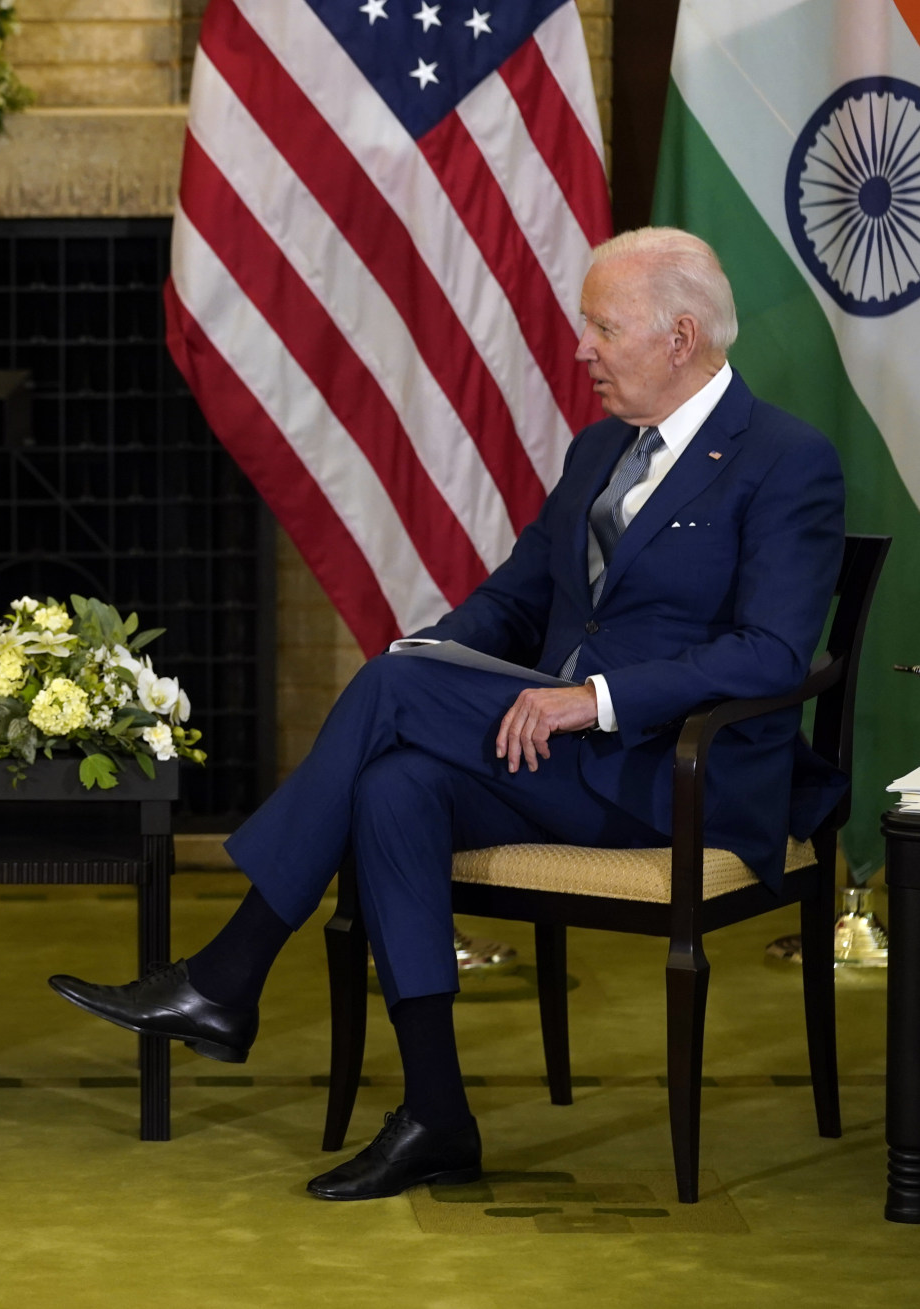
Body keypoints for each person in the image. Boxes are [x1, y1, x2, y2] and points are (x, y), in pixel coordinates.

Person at [49, 227, 847, 1200]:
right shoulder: (601, 449)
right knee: (395, 784)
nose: (580, 348)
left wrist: (589, 699)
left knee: (391, 696)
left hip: (683, 778)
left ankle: (225, 977)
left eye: (601, 327)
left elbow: (770, 652)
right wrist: (429, 653)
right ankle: (435, 1112)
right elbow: (514, 600)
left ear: (680, 337)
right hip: (563, 768)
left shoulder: (785, 461)